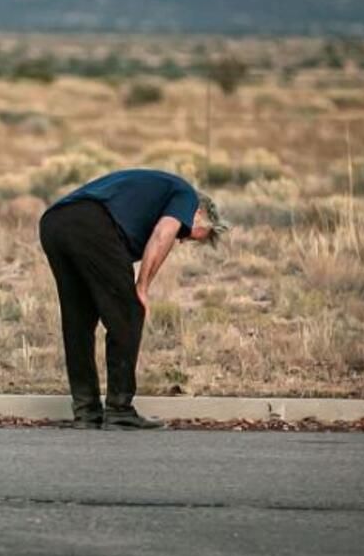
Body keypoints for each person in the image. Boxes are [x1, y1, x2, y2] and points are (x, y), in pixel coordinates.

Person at [38, 169, 229, 430]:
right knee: (129, 312)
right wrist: (142, 287)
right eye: (187, 235)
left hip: (54, 223)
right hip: (90, 223)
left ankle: (86, 412)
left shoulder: (153, 197)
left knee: (78, 321)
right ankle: (119, 411)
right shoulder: (186, 195)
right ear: (198, 213)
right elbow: (163, 234)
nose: (182, 241)